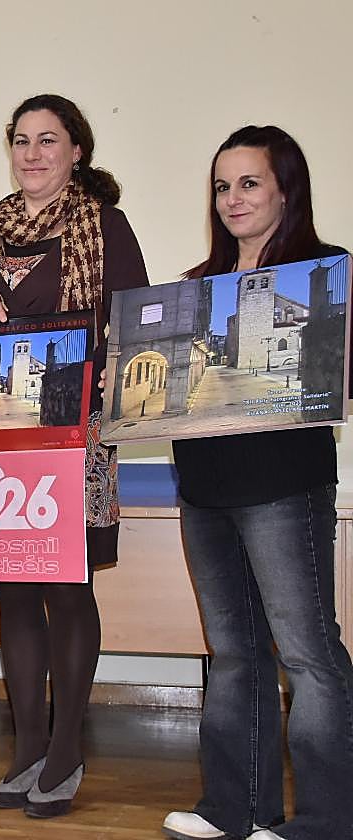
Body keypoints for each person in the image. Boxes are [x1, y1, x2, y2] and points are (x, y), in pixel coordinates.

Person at [0, 94, 149, 817]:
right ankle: (27, 746)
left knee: (67, 589)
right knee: (13, 590)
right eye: (22, 141)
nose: (32, 154)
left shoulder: (104, 227)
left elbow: (131, 334)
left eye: (48, 140)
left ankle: (66, 750)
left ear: (77, 153)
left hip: (76, 435)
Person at [161, 127, 353, 840]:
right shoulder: (194, 288)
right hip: (204, 491)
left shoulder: (327, 272)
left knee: (306, 651)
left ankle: (329, 821)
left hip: (283, 488)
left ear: (284, 189)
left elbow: (339, 382)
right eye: (222, 185)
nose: (232, 198)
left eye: (248, 183)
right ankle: (234, 810)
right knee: (234, 653)